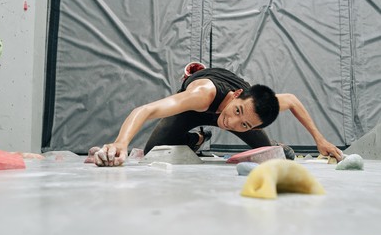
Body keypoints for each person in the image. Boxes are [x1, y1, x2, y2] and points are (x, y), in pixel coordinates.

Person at [93, 66, 343, 166]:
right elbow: (146, 110)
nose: (231, 124)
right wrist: (120, 143)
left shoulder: (251, 111)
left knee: (268, 155)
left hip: (230, 107)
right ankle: (197, 139)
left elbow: (293, 101)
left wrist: (320, 140)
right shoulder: (202, 94)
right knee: (153, 152)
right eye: (238, 112)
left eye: (245, 124)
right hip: (195, 111)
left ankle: (274, 143)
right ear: (236, 95)